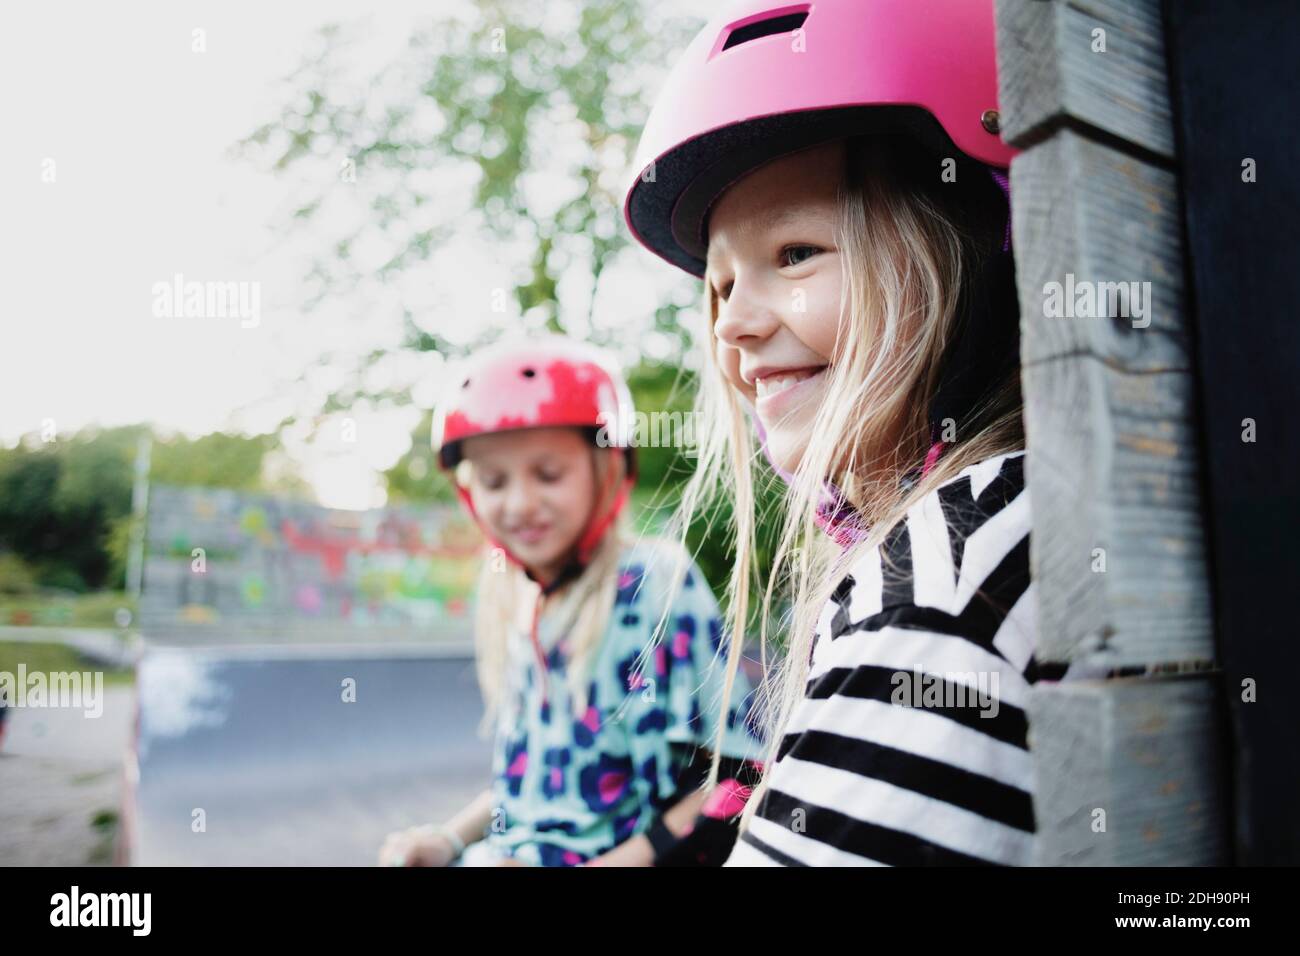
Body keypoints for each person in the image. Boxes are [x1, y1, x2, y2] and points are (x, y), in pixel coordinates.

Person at [622, 0, 1052, 865]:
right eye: (719, 286)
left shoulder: (938, 586)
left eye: (794, 254)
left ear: (968, 256)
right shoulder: (1013, 517)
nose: (732, 325)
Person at [378, 336, 762, 867]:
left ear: (606, 470)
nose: (519, 503)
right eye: (493, 481)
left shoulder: (655, 583)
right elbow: (536, 789)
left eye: (549, 474)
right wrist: (447, 839)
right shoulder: (521, 602)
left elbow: (737, 782)